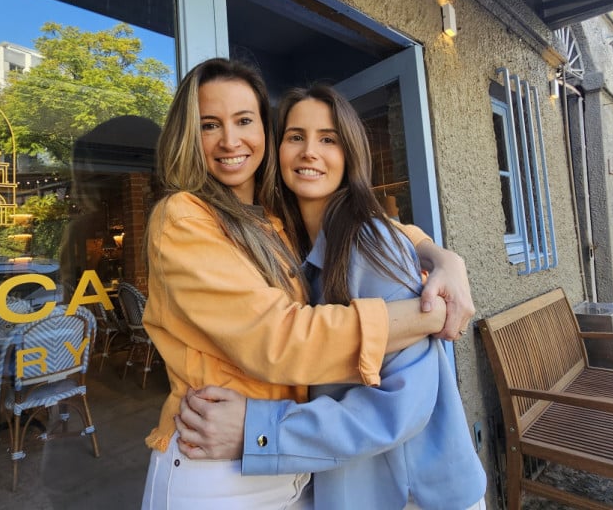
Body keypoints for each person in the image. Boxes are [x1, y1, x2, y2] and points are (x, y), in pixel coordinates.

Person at [140, 58, 467, 510]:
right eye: (209, 124)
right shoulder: (185, 216)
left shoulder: (273, 222)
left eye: (244, 121)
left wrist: (442, 256)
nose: (230, 140)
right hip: (215, 455)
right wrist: (427, 314)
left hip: (293, 464)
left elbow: (375, 231)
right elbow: (281, 339)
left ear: (263, 135)